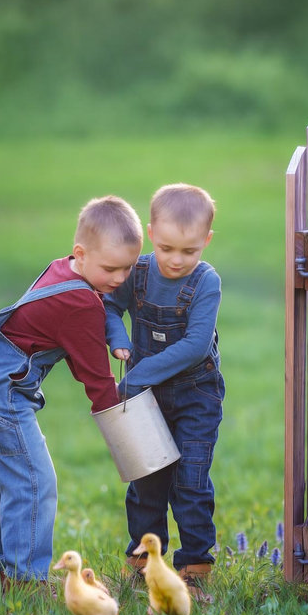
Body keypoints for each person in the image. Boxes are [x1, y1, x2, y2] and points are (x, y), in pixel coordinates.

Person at [0, 196, 142, 587]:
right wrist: (126, 431)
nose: (119, 278)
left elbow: (101, 305)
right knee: (33, 480)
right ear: (81, 252)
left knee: (7, 476)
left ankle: (3, 569)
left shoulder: (66, 270)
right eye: (111, 268)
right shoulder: (78, 300)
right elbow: (95, 377)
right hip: (2, 390)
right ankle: (23, 579)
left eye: (128, 268)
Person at [105, 183, 224, 587]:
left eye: (190, 251)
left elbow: (194, 346)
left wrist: (136, 374)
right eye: (167, 247)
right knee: (147, 478)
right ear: (152, 232)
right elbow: (108, 304)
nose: (176, 260)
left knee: (190, 478)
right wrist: (117, 336)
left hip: (196, 393)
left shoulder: (206, 283)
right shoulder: (136, 272)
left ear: (206, 241)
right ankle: (144, 555)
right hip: (146, 398)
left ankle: (194, 564)